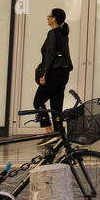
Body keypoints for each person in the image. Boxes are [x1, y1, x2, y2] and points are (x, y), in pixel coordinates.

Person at [34, 8, 73, 138]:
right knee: (56, 105)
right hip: (63, 73)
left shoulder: (53, 33)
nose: (48, 18)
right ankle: (59, 134)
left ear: (55, 18)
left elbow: (50, 56)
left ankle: (49, 133)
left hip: (54, 72)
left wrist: (44, 74)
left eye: (49, 16)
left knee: (38, 101)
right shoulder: (63, 34)